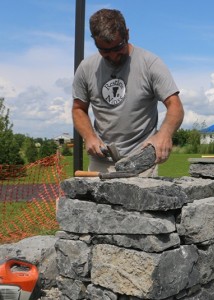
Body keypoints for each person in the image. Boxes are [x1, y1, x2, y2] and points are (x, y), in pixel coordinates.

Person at [72, 8, 184, 176]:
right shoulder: (86, 69)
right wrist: (89, 136)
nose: (114, 56)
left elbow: (175, 106)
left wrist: (164, 134)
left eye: (118, 48)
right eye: (105, 51)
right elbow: (78, 109)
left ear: (127, 35)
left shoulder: (150, 63)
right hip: (102, 161)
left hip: (141, 162)